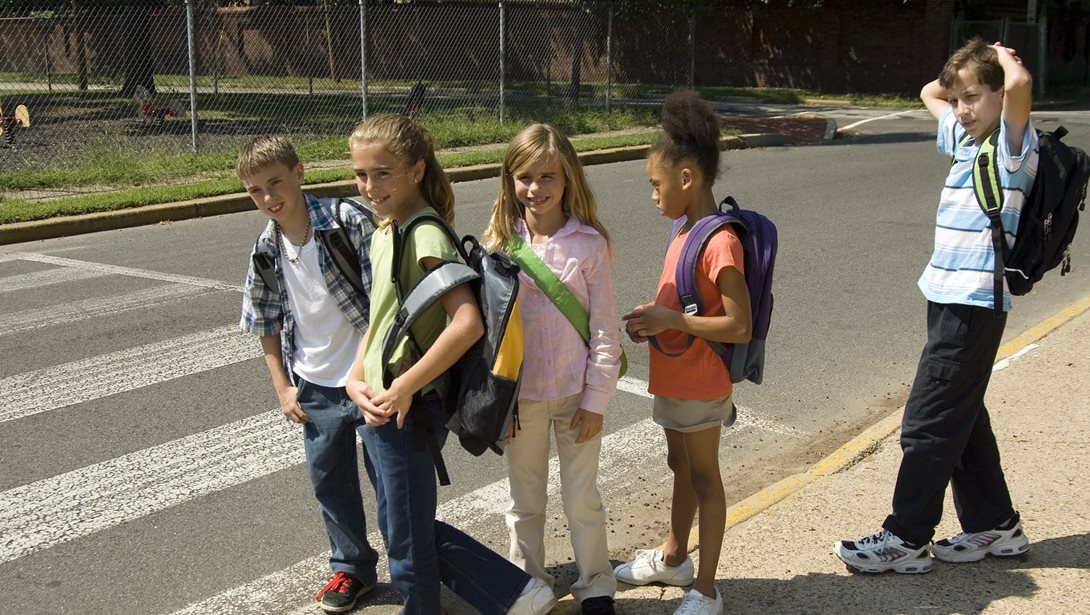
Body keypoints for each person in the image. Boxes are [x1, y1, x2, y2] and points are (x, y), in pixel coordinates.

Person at [835, 38, 1037, 574]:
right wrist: (966, 73)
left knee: (927, 422)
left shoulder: (1012, 145)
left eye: (975, 97)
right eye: (960, 99)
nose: (962, 108)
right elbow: (931, 91)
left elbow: (1019, 84)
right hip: (948, 297)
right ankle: (995, 524)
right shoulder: (965, 138)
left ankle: (905, 537)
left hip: (974, 302)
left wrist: (999, 54)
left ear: (1000, 95)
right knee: (961, 418)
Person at [343, 113, 555, 615]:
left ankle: (436, 606)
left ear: (416, 171)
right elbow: (383, 316)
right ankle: (516, 594)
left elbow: (467, 324)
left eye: (383, 173)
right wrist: (354, 378)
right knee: (401, 525)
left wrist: (404, 387)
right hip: (379, 400)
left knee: (407, 539)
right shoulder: (386, 229)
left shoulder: (424, 234)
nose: (370, 186)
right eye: (361, 175)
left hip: (408, 405)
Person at [616, 91, 752, 615]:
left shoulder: (720, 241)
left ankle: (707, 589)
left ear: (688, 178)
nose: (653, 194)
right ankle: (675, 557)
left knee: (704, 477)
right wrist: (653, 319)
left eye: (657, 184)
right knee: (680, 464)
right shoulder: (683, 228)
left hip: (701, 381)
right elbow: (684, 301)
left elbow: (738, 325)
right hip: (675, 376)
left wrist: (670, 321)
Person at [483, 124, 621, 615]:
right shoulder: (498, 242)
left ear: (568, 180)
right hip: (521, 400)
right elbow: (491, 334)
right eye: (525, 177)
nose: (535, 188)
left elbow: (604, 327)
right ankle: (529, 587)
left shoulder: (589, 244)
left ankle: (596, 584)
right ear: (509, 179)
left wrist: (595, 401)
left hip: (575, 394)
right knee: (524, 503)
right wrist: (499, 403)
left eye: (548, 177)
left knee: (582, 498)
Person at [237, 136, 379, 613]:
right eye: (255, 191)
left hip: (370, 378)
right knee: (329, 482)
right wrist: (282, 386)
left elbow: (384, 302)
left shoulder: (346, 221)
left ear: (299, 173)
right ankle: (352, 569)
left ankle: (413, 570)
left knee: (391, 482)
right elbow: (264, 319)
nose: (268, 197)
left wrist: (367, 372)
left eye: (275, 182)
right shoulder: (266, 247)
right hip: (314, 386)